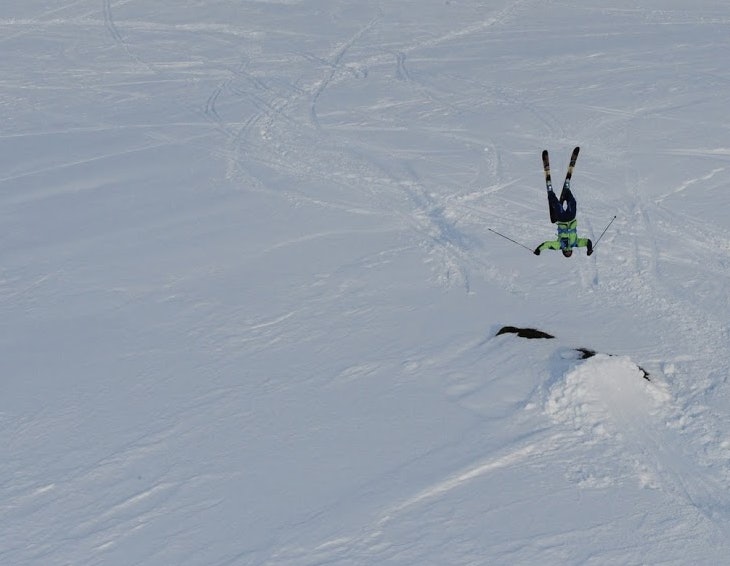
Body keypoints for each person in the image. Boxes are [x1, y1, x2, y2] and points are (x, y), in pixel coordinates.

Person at [534, 185, 593, 257]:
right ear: (571, 251)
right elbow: (587, 242)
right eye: (569, 253)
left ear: (563, 252)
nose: (568, 252)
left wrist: (538, 249)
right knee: (573, 202)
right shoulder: (575, 243)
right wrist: (589, 249)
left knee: (557, 205)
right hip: (571, 218)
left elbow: (548, 244)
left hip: (562, 220)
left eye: (566, 253)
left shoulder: (560, 245)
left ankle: (550, 192)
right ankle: (567, 191)